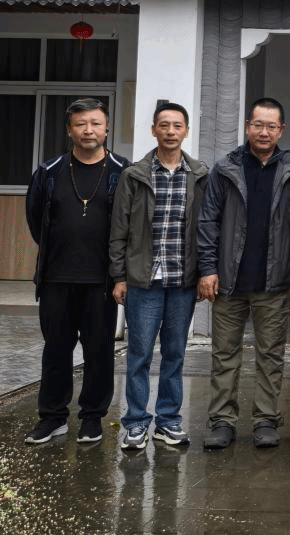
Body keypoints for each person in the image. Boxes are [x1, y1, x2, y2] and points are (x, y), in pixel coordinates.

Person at [197, 97, 290, 450]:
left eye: (271, 126)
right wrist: (208, 268)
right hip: (229, 280)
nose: (264, 132)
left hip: (274, 280)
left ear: (281, 130)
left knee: (270, 355)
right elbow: (208, 221)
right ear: (247, 126)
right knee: (224, 355)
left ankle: (265, 420)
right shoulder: (225, 168)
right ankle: (222, 421)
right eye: (258, 125)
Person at [24, 98, 130, 445]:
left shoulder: (122, 171)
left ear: (106, 127)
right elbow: (36, 219)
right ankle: (52, 417)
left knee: (99, 352)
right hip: (55, 278)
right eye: (81, 124)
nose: (89, 130)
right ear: (69, 130)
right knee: (56, 350)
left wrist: (121, 274)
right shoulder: (49, 170)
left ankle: (92, 418)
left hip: (101, 281)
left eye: (95, 123)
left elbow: (130, 223)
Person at [110, 102, 209, 450]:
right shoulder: (134, 175)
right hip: (143, 279)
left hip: (183, 280)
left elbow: (206, 229)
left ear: (186, 131)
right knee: (139, 354)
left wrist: (204, 272)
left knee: (174, 354)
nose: (170, 131)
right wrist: (119, 276)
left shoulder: (199, 174)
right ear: (153, 129)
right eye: (163, 125)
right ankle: (136, 422)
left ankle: (168, 421)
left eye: (177, 125)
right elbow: (119, 229)